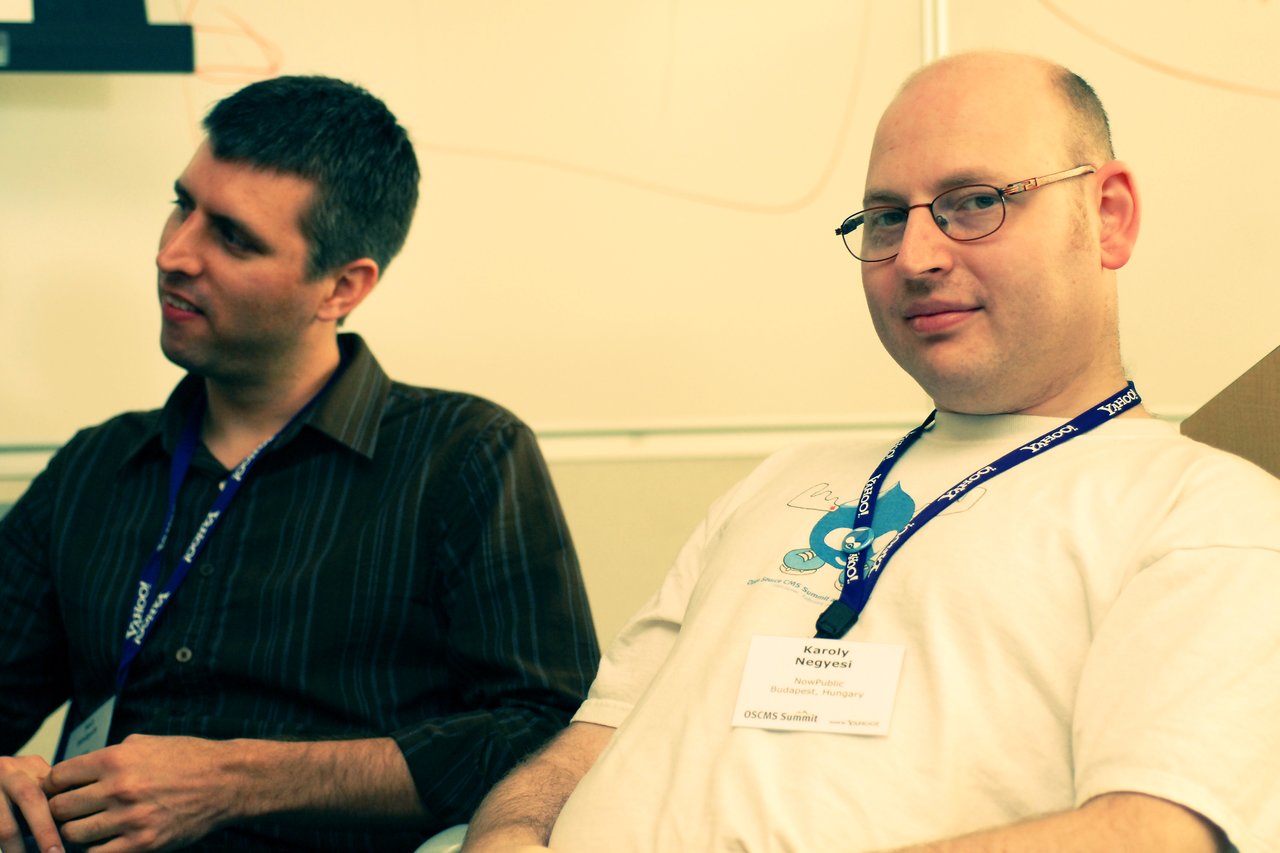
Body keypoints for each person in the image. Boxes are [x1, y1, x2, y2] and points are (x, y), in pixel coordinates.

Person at [461, 51, 1280, 852]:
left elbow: (1155, 832)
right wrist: (507, 829)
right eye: (888, 217)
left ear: (1108, 215)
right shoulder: (782, 479)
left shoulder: (1204, 511)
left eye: (974, 201)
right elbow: (599, 730)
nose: (916, 258)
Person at [0, 75, 600, 853]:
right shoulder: (98, 465)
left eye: (234, 238)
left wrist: (234, 779)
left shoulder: (463, 454)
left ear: (342, 287)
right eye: (182, 204)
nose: (173, 253)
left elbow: (547, 733)